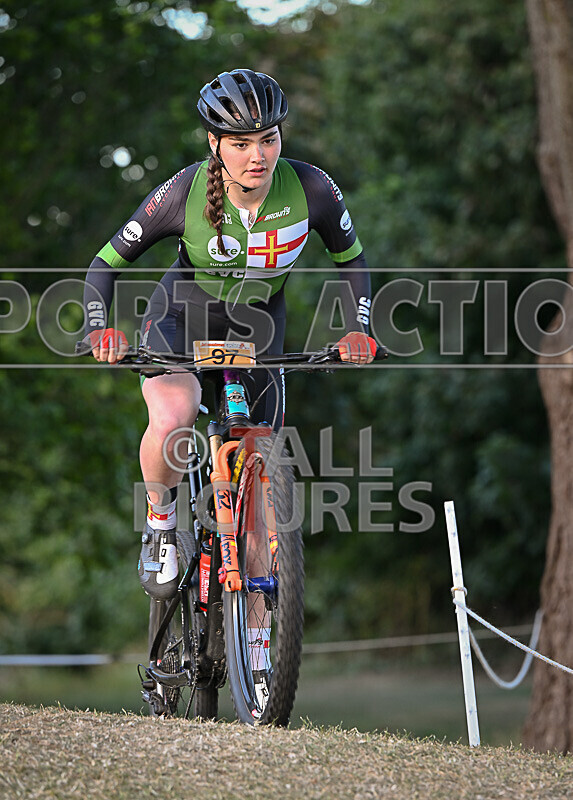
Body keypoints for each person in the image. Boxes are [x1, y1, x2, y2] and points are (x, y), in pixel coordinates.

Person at [83, 68, 376, 602]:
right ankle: (162, 522)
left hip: (261, 327)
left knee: (261, 454)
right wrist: (99, 327)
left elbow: (352, 260)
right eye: (241, 143)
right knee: (173, 418)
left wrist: (361, 327)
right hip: (180, 318)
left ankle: (260, 638)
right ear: (215, 143)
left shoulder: (312, 188)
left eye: (268, 139)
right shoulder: (185, 191)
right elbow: (106, 262)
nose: (257, 156)